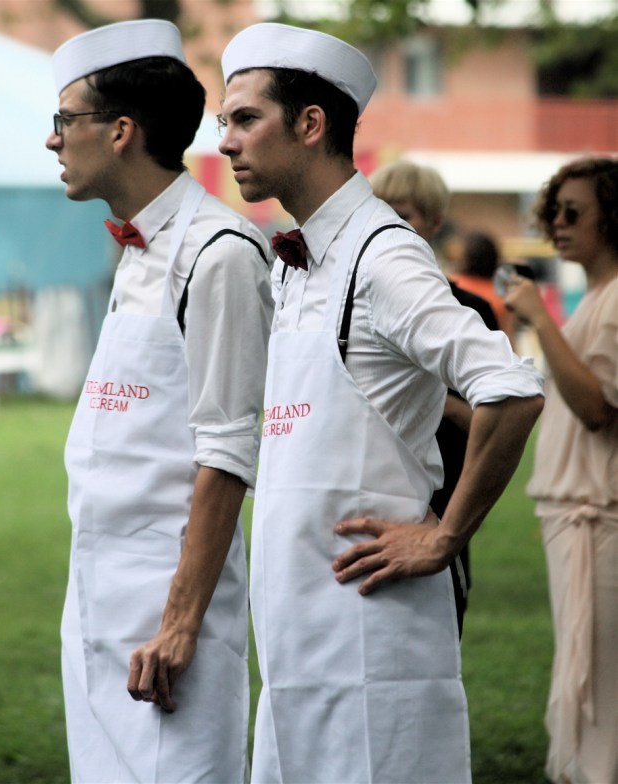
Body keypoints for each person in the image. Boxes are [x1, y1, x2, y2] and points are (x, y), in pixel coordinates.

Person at [218, 22, 544, 783]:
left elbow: (511, 389)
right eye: (223, 121)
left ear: (310, 124)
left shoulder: (383, 254)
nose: (226, 142)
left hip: (373, 638)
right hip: (299, 641)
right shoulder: (295, 261)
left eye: (244, 119)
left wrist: (445, 535)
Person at [46, 20, 273, 783]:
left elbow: (228, 452)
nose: (52, 140)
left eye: (64, 120)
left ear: (120, 132)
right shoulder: (139, 249)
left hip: (167, 613)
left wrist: (180, 623)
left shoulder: (220, 253)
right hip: (95, 597)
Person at [504, 157, 617, 784]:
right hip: (575, 523)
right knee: (585, 686)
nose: (559, 224)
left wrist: (540, 318)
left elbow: (596, 408)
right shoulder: (598, 298)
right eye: (555, 212)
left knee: (599, 695)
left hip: (599, 524)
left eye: (574, 212)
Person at [370, 160, 499, 633]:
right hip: (373, 483)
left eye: (403, 214)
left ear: (435, 222)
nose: (389, 225)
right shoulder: (362, 298)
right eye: (380, 211)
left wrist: (434, 398)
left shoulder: (468, 309)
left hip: (441, 495)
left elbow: (499, 411)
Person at [452, 229, 518, 346]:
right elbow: (509, 339)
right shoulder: (503, 294)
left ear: (466, 258)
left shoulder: (453, 286)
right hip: (493, 352)